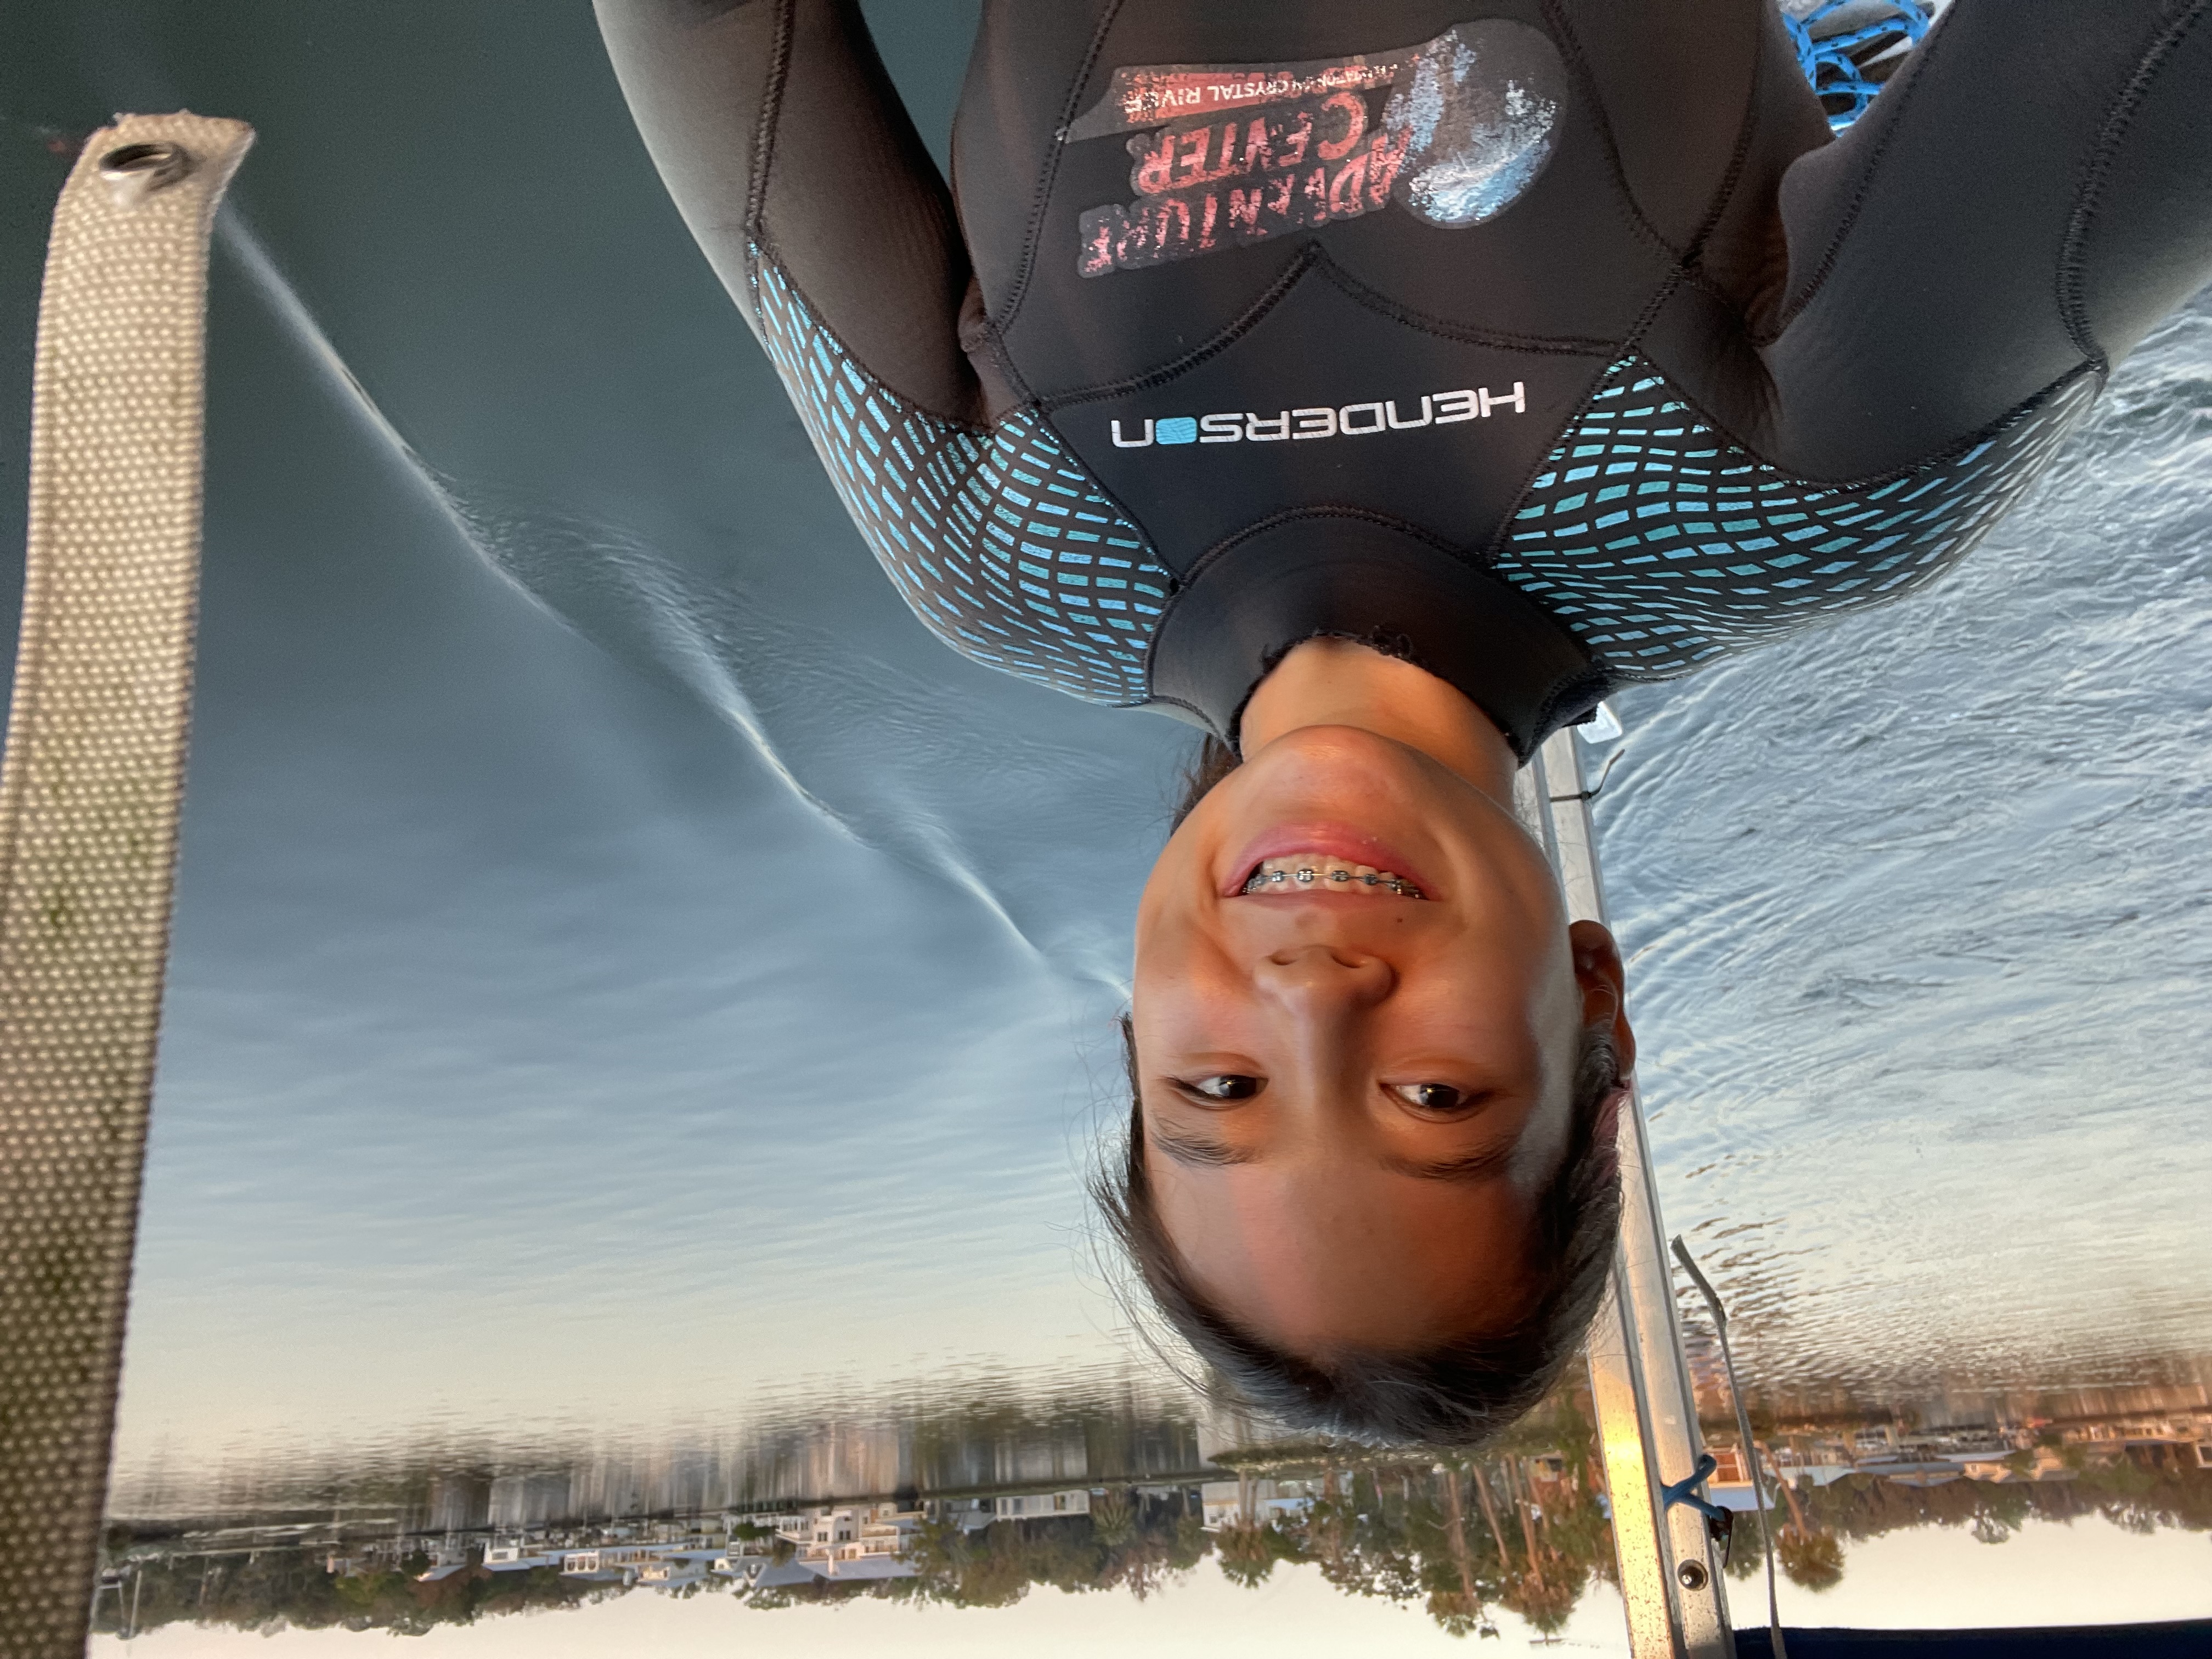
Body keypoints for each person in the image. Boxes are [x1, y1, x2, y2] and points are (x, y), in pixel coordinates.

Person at [594, 0, 2212, 1443]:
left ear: (1134, 1036)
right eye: (1433, 1101)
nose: (1305, 997)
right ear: (1595, 1009)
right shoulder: (1790, 495)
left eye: (1216, 1093)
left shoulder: (1008, 548)